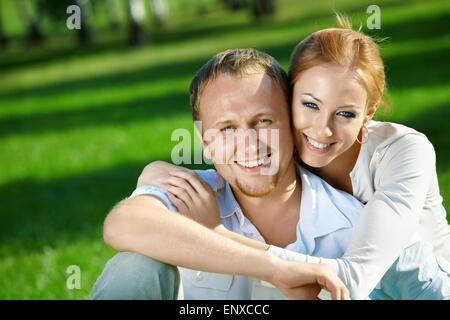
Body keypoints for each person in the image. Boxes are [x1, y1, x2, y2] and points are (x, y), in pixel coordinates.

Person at [92, 48, 449, 300]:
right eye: (227, 128)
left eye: (263, 121)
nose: (247, 143)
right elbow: (122, 224)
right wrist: (273, 266)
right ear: (205, 141)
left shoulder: (358, 225)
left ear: (293, 126)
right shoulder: (191, 195)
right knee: (134, 266)